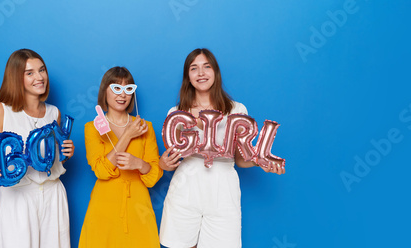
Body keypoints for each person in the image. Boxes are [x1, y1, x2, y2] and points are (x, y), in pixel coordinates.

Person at [159, 48, 285, 248]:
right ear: (188, 76)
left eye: (206, 67)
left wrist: (261, 162)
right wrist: (164, 164)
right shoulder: (177, 113)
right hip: (186, 189)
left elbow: (241, 159)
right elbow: (170, 161)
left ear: (215, 72)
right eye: (194, 68)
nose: (201, 73)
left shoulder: (237, 110)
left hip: (223, 191)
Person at [0, 48, 75, 248]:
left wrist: (66, 153)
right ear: (16, 77)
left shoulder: (54, 113)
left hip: (53, 196)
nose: (39, 77)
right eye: (30, 73)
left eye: (42, 70)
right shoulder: (1, 112)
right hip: (18, 196)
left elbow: (52, 160)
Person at [79, 66, 163, 248]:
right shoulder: (92, 128)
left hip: (138, 207)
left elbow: (153, 176)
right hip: (104, 207)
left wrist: (139, 164)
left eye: (128, 89)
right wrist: (127, 136)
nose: (122, 94)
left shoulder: (145, 126)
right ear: (104, 91)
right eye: (116, 88)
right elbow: (101, 171)